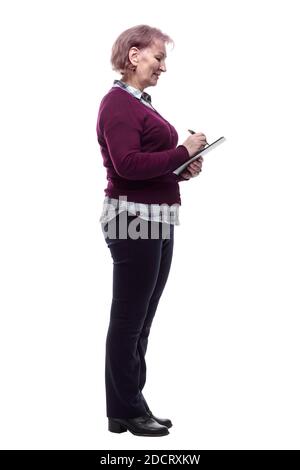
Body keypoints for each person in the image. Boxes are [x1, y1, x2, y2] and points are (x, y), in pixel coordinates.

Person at [96, 24, 206, 437]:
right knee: (129, 318)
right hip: (133, 218)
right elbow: (126, 165)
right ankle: (125, 408)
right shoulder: (117, 105)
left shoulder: (140, 103)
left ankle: (130, 404)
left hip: (155, 216)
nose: (163, 67)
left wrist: (181, 169)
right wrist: (182, 151)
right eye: (158, 58)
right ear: (134, 55)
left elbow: (149, 162)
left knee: (142, 318)